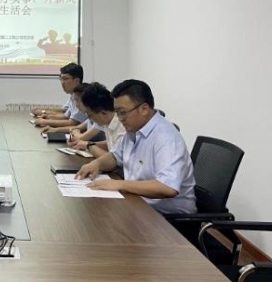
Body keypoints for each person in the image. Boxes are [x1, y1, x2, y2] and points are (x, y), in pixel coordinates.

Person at [76, 80, 196, 214]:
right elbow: (115, 156)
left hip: (167, 217)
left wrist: (119, 184)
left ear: (144, 109)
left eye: (122, 112)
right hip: (137, 203)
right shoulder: (133, 130)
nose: (120, 118)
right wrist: (96, 164)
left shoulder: (166, 137)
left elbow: (167, 187)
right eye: (117, 112)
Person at [68, 82, 126, 157]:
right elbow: (112, 145)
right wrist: (87, 144)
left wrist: (89, 146)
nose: (90, 119)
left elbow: (115, 159)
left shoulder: (123, 126)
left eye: (90, 115)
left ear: (103, 113)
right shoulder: (108, 121)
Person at [32, 63, 87, 128]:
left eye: (65, 79)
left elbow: (73, 123)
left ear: (77, 81)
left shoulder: (81, 97)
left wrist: (45, 121)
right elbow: (65, 115)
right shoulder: (73, 95)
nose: (62, 82)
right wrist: (47, 115)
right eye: (61, 79)